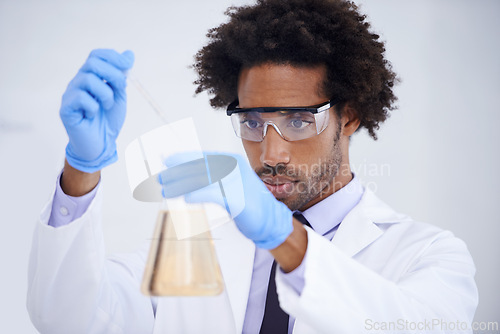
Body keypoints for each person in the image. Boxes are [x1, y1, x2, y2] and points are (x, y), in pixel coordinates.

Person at [27, 0, 478, 333]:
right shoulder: (195, 247)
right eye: (252, 122)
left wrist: (286, 240)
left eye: (300, 120)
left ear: (351, 115)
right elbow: (69, 318)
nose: (271, 154)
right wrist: (80, 170)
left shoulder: (428, 254)